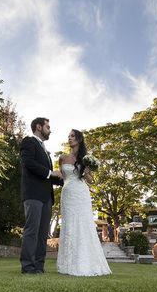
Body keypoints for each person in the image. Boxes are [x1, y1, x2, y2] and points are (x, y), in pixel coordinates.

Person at [56, 129, 111, 276]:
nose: (69, 138)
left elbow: (91, 181)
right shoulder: (62, 157)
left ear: (79, 139)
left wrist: (86, 170)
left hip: (81, 193)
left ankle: (85, 262)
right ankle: (67, 264)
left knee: (83, 224)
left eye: (72, 136)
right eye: (68, 136)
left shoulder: (86, 158)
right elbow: (61, 176)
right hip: (67, 193)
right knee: (69, 225)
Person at [19, 117, 63, 274]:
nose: (50, 130)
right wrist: (52, 173)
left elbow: (48, 177)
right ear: (38, 127)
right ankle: (28, 267)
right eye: (48, 127)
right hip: (33, 195)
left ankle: (38, 266)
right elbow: (28, 163)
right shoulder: (28, 142)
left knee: (43, 233)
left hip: (46, 198)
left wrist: (67, 180)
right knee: (32, 231)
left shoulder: (45, 150)